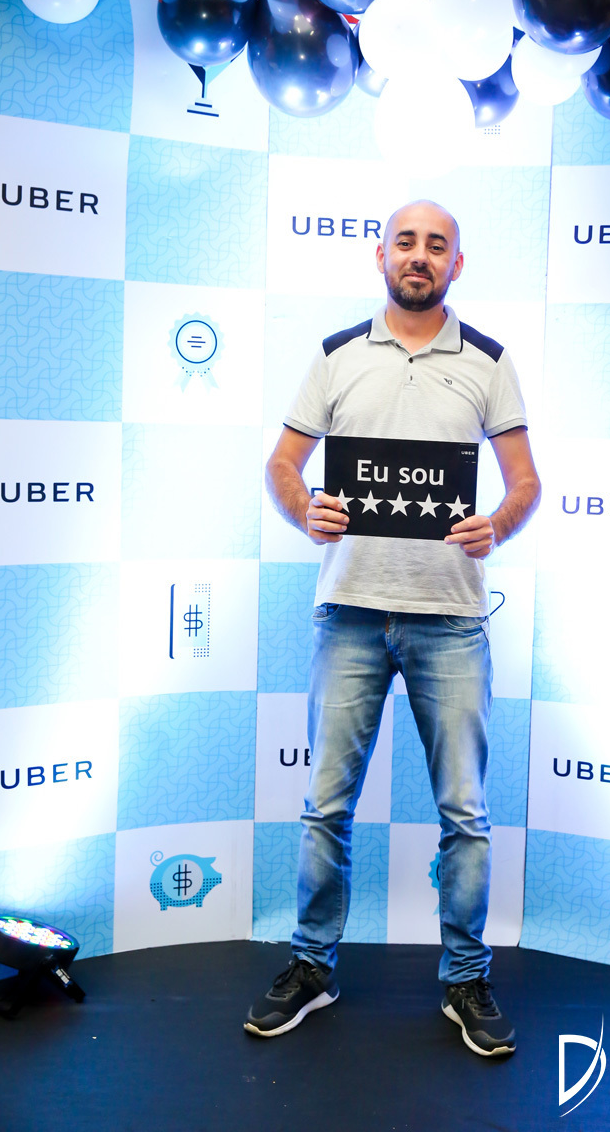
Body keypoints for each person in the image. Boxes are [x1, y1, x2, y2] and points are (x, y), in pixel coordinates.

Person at [245, 200, 541, 1057]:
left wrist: (499, 525)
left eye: (436, 245)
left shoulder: (489, 360)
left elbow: (525, 482)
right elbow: (282, 463)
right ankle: (312, 967)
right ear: (380, 256)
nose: (420, 255)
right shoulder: (337, 354)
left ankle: (466, 979)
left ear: (457, 263)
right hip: (350, 613)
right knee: (325, 808)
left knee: (465, 814)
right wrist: (304, 508)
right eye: (405, 242)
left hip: (451, 619)